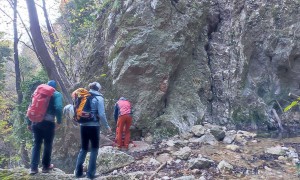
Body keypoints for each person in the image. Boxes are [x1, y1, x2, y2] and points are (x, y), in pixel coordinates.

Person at [74, 82, 112, 179]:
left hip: (83, 125)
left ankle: (78, 173)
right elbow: (102, 114)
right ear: (98, 89)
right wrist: (107, 127)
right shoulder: (99, 98)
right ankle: (90, 174)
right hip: (94, 126)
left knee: (83, 149)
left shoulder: (83, 97)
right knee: (94, 149)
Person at [27, 80, 63, 175]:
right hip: (48, 123)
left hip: (36, 122)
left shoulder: (38, 93)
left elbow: (31, 107)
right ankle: (45, 167)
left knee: (37, 144)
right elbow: (59, 108)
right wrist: (59, 121)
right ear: (54, 87)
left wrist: (29, 122)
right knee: (48, 144)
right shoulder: (56, 94)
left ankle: (33, 168)